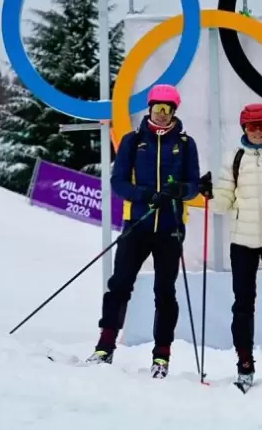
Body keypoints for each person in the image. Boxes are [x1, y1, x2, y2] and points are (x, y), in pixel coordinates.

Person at [86, 84, 201, 379]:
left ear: (174, 112)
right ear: (149, 109)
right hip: (137, 223)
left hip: (171, 227)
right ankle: (105, 345)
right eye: (157, 109)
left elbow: (193, 186)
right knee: (120, 284)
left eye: (167, 110)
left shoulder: (186, 144)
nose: (161, 115)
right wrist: (145, 195)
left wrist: (179, 190)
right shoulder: (133, 140)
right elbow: (119, 182)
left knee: (165, 291)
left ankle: (162, 355)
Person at [197, 103, 262, 391]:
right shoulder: (235, 158)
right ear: (243, 127)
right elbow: (224, 202)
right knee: (243, 304)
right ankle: (244, 365)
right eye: (252, 126)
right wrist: (209, 194)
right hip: (242, 241)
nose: (258, 132)